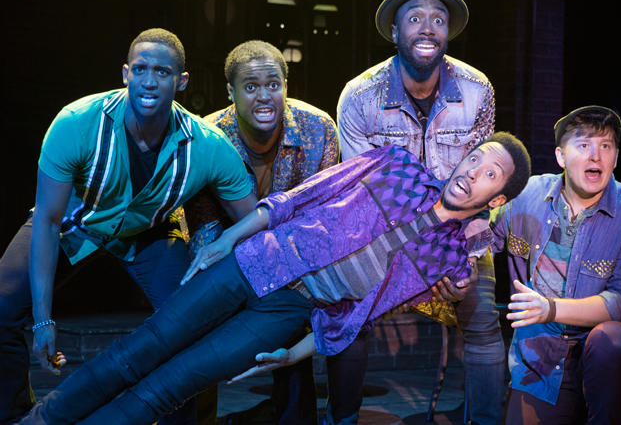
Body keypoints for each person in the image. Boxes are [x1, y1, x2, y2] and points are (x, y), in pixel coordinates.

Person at [17, 132, 531, 425]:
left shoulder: (446, 260)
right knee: (138, 350)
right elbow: (295, 199)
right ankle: (41, 421)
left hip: (289, 312)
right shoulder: (394, 166)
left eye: (490, 173)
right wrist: (227, 239)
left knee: (169, 388)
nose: (471, 171)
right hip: (255, 261)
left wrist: (294, 354)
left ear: (498, 197)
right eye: (475, 157)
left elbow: (361, 315)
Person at [0, 28, 258, 425]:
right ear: (125, 73)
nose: (149, 81)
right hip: (75, 223)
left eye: (162, 71)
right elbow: (49, 222)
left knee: (193, 324)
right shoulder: (77, 123)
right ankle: (13, 415)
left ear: (181, 81)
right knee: (1, 306)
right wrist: (43, 318)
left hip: (148, 233)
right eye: (140, 69)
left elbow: (255, 220)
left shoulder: (208, 146)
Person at [334, 0, 502, 423]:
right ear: (395, 32)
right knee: (347, 320)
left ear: (448, 32)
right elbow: (362, 195)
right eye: (415, 18)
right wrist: (415, 264)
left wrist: (455, 258)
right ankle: (343, 419)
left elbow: (481, 189)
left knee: (484, 323)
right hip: (384, 242)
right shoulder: (360, 95)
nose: (428, 27)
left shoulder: (476, 89)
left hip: (459, 239)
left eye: (438, 19)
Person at [183, 39, 340, 424]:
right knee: (199, 322)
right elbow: (205, 228)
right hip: (226, 252)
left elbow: (320, 221)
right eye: (251, 87)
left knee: (293, 313)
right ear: (231, 93)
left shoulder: (319, 130)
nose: (264, 96)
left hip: (293, 261)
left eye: (274, 84)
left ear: (286, 86)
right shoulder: (208, 138)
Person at [490, 107, 621, 424]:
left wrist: (550, 308)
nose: (595, 156)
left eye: (605, 146)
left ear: (616, 157)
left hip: (604, 356)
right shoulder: (526, 195)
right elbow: (483, 237)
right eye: (583, 145)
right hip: (541, 355)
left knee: (609, 339)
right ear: (561, 156)